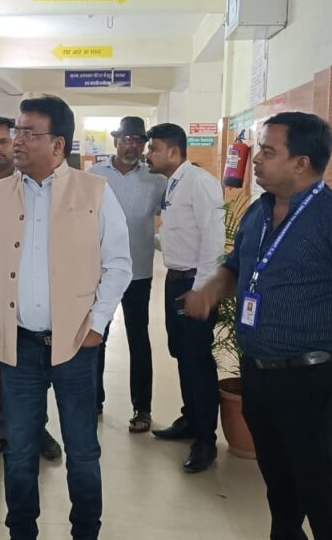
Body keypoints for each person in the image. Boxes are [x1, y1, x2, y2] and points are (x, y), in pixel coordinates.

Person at [183, 111, 332, 540]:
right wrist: (211, 290)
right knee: (279, 485)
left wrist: (329, 323)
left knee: (319, 488)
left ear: (301, 163)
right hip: (259, 373)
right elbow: (236, 266)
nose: (256, 159)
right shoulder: (259, 212)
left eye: (268, 152)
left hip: (313, 378)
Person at [0, 95, 132, 540]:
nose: (16, 141)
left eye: (27, 133)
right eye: (15, 131)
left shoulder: (94, 191)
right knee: (19, 453)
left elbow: (119, 264)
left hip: (75, 345)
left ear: (58, 144)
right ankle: (22, 532)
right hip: (17, 345)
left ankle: (85, 532)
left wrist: (97, 324)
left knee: (82, 451)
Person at [0, 115, 62, 466]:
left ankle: (37, 428)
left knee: (33, 365)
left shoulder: (36, 183)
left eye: (4, 141)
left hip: (29, 294)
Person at [145, 122, 225, 473]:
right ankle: (190, 419)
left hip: (195, 282)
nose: (148, 154)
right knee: (181, 353)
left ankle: (205, 439)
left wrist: (202, 290)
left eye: (154, 148)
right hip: (176, 280)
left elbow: (213, 240)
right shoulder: (174, 183)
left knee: (198, 360)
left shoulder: (200, 182)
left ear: (174, 152)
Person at [90, 116, 167, 432]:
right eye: (127, 139)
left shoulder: (156, 180)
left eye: (139, 140)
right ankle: (93, 401)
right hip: (100, 272)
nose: (132, 146)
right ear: (116, 141)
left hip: (138, 273)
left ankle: (142, 408)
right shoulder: (94, 176)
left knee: (138, 338)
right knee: (97, 335)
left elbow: (172, 219)